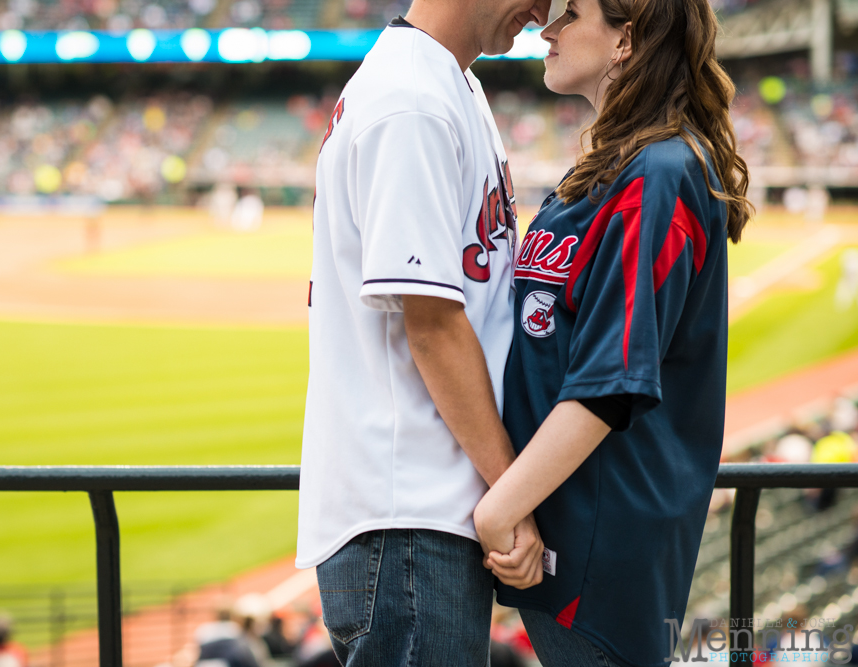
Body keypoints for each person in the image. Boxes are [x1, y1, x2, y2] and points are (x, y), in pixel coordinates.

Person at [471, 0, 753, 663]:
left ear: (626, 37)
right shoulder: (614, 165)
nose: (547, 28)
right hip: (563, 522)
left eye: (569, 13)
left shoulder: (658, 173)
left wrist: (497, 509)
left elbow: (609, 383)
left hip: (601, 542)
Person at [295, 0, 551, 663]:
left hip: (424, 514)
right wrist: (511, 492)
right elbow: (433, 324)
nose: (546, 8)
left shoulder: (449, 79)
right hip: (407, 515)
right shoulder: (410, 99)